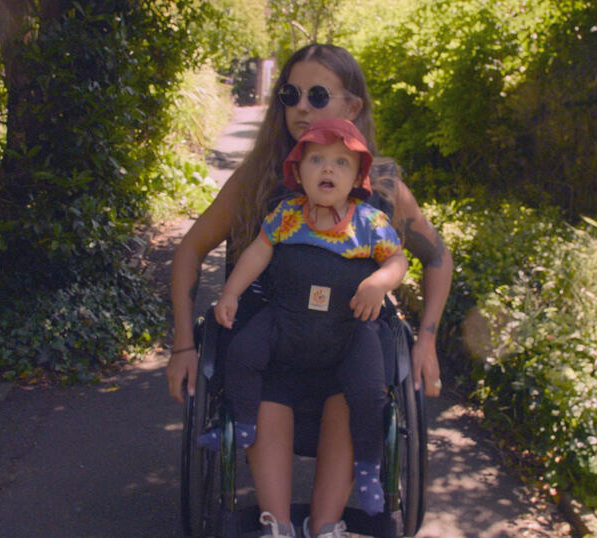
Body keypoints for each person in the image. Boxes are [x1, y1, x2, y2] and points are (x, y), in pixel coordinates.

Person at [167, 44, 453, 538]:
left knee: (355, 390)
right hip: (273, 331)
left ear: (352, 107)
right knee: (267, 386)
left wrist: (426, 338)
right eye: (290, 94)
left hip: (350, 336)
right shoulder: (257, 180)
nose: (300, 106)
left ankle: (326, 526)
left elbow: (436, 257)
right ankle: (276, 525)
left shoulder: (382, 183)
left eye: (317, 94)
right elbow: (189, 250)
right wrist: (183, 346)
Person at [197, 117, 408, 517]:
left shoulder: (368, 223)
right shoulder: (287, 215)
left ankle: (368, 469)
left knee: (370, 391)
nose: (328, 169)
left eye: (341, 163)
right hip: (286, 320)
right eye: (317, 161)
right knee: (240, 351)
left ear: (358, 176)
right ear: (298, 171)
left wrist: (379, 282)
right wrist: (230, 293)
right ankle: (241, 424)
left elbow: (398, 260)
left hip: (346, 329)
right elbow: (258, 252)